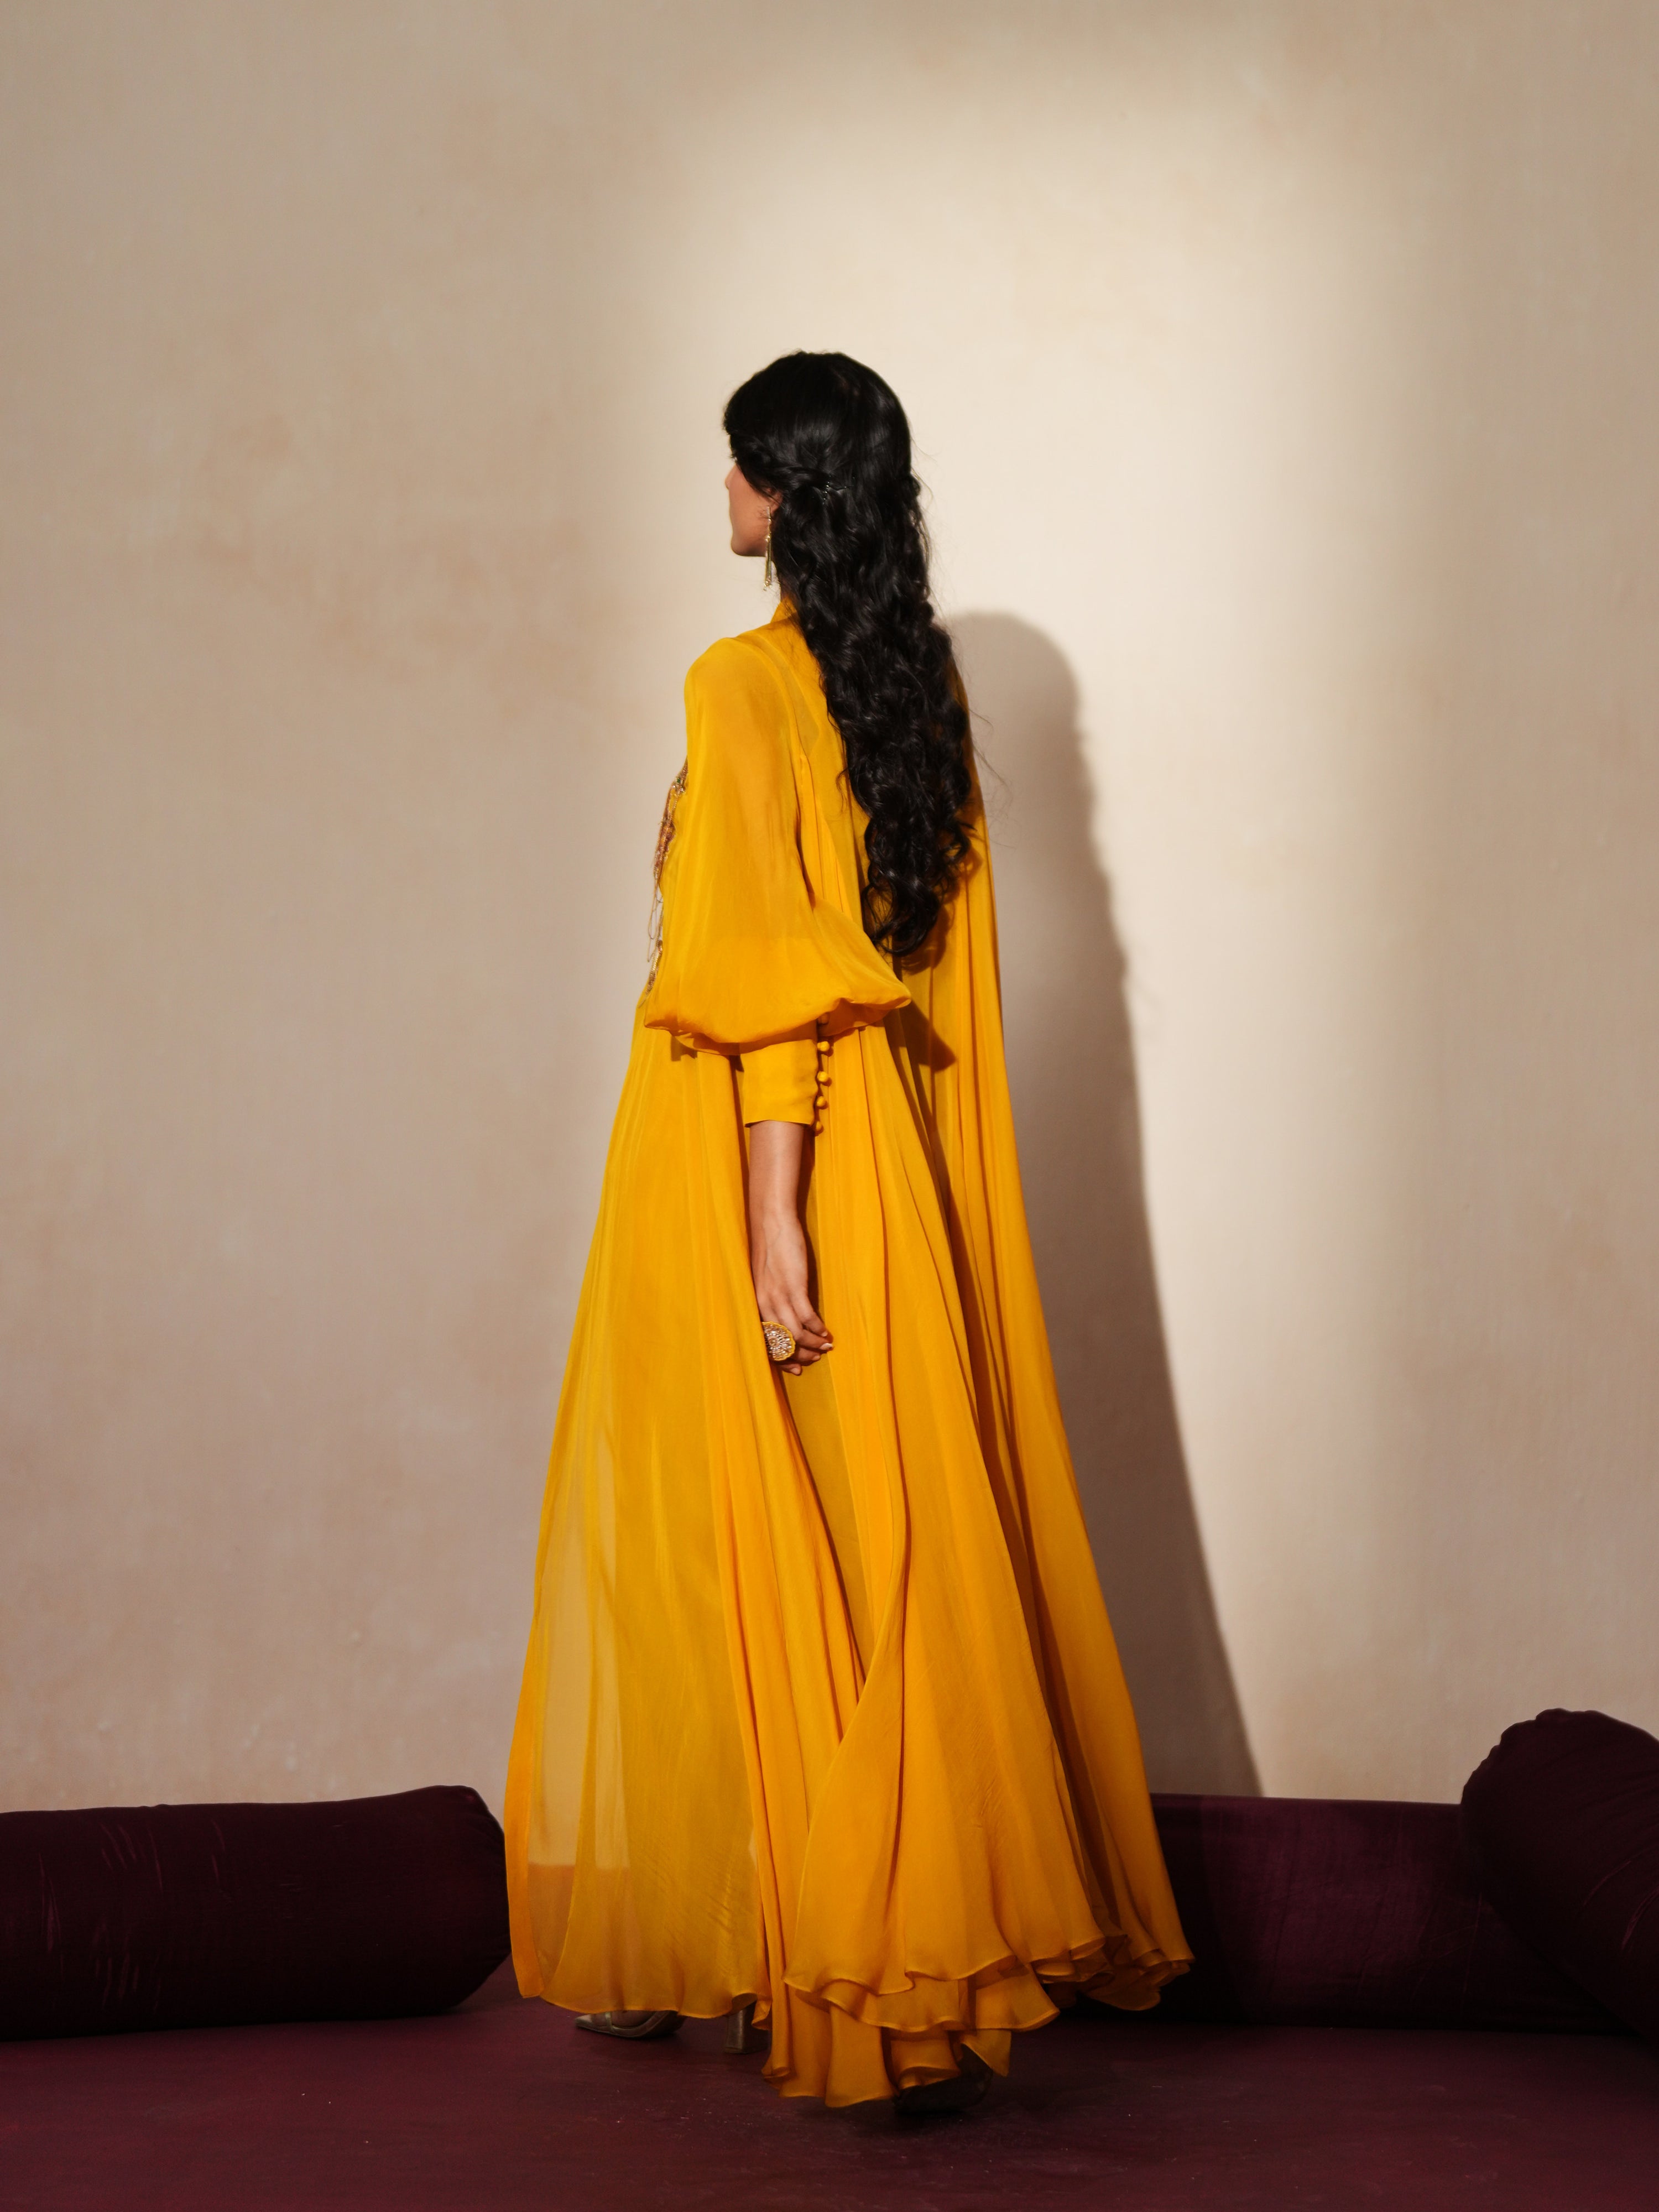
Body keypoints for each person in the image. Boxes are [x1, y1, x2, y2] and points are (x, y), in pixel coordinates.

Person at [504, 352, 1191, 2110]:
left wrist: (772, 1221)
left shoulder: (736, 684)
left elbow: (763, 992)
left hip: (759, 1166)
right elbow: (917, 985)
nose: (716, 490)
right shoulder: (914, 688)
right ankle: (796, 1934)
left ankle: (794, 1957)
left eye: (736, 465)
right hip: (899, 1177)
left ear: (784, 494)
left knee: (725, 1545)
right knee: (859, 1551)